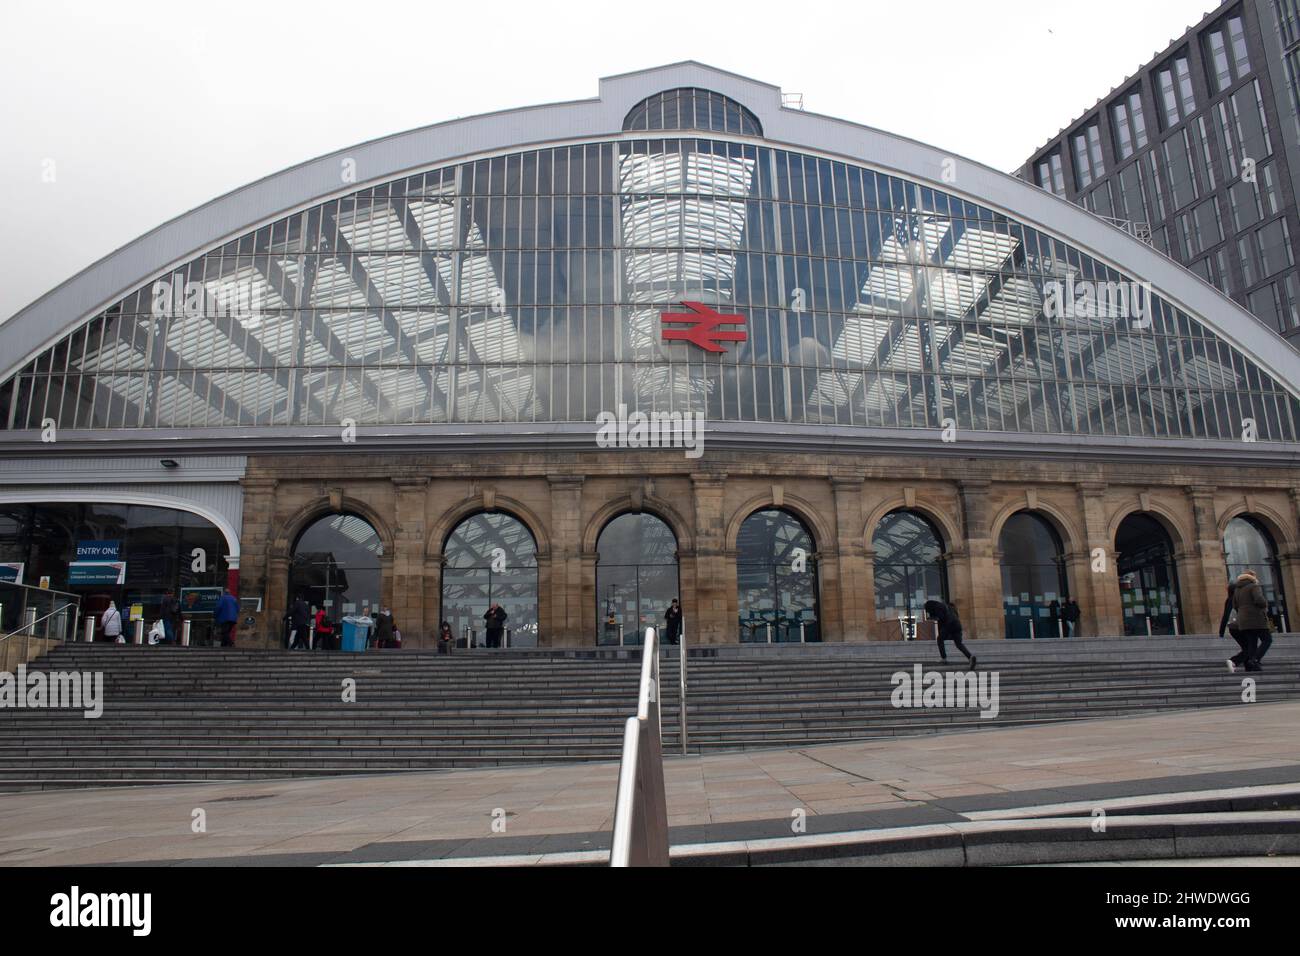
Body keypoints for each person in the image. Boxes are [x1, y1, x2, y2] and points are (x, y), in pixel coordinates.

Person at [1232, 570, 1269, 672]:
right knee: (1267, 640)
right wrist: (1265, 605)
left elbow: (1235, 605)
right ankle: (1255, 659)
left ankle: (1253, 666)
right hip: (1256, 618)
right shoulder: (1254, 586)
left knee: (1252, 643)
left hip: (1243, 620)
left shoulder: (1237, 589)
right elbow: (1259, 600)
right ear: (1252, 577)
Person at [923, 599, 976, 670]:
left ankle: (944, 658)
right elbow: (956, 615)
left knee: (939, 639)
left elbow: (941, 618)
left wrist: (935, 619)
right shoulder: (948, 606)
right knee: (958, 644)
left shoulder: (937, 607)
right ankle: (970, 657)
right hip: (957, 625)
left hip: (949, 625)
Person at [1218, 581, 1250, 672]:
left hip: (1233, 628)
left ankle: (1249, 666)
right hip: (1241, 627)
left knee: (1247, 647)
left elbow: (1226, 616)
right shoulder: (1237, 599)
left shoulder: (1229, 599)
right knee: (1250, 648)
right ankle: (1234, 661)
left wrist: (1221, 631)